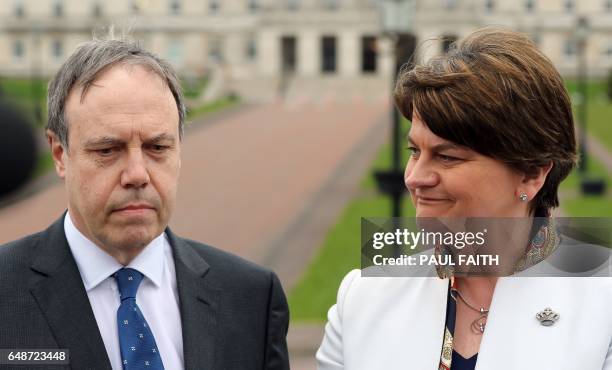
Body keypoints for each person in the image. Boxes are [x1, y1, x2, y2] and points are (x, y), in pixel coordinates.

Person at [316, 27, 612, 370]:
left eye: (447, 157)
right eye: (415, 151)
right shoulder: (362, 298)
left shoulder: (602, 301)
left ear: (532, 173)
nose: (414, 178)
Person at [0, 38, 289, 370]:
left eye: (157, 147)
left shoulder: (251, 297)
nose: (137, 175)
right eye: (107, 150)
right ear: (59, 154)